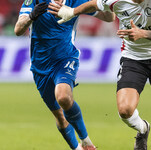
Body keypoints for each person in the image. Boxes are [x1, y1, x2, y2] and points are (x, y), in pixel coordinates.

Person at [48, 0, 151, 149]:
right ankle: (143, 128)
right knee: (125, 110)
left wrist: (142, 33)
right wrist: (73, 12)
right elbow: (95, 4)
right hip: (133, 59)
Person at [14, 0, 115, 150]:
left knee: (63, 96)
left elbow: (109, 17)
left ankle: (86, 141)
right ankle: (77, 148)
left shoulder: (76, 2)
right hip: (40, 66)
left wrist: (104, 3)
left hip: (65, 59)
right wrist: (32, 15)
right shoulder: (35, 2)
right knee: (60, 117)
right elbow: (18, 30)